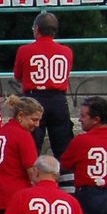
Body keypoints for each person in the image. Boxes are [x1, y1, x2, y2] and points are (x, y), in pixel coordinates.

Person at [14, 10, 74, 156]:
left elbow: (18, 76)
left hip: (34, 98)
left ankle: (32, 176)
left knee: (32, 145)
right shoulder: (66, 51)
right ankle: (66, 178)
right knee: (63, 146)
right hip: (59, 99)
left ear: (37, 29)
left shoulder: (25, 50)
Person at [0, 95, 44, 214]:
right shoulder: (22, 135)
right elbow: (33, 174)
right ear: (21, 116)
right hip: (15, 198)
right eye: (34, 119)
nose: (37, 124)